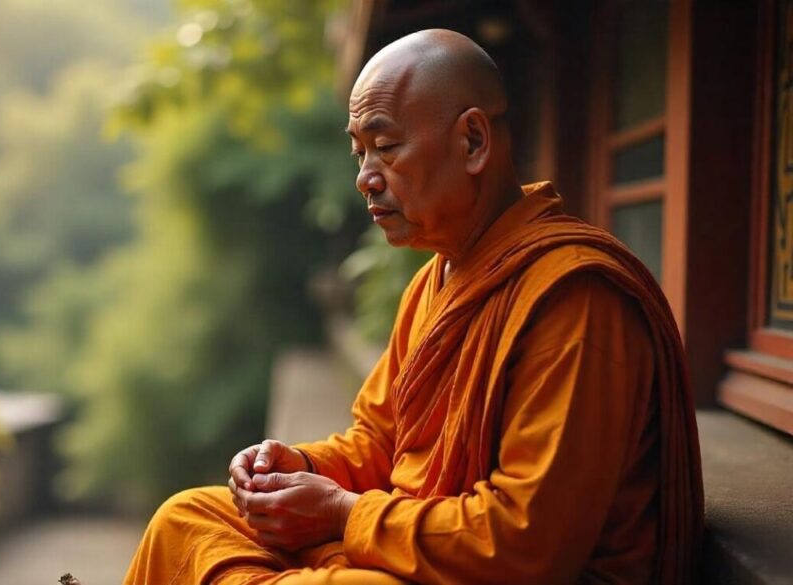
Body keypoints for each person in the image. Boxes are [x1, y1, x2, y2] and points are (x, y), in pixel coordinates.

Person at [124, 29, 703, 584]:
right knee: (186, 519)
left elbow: (526, 545)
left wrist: (345, 514)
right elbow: (380, 441)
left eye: (386, 147)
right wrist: (299, 467)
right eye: (359, 154)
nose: (365, 180)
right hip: (416, 541)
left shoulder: (574, 300)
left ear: (473, 142)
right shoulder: (436, 281)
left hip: (498, 571)